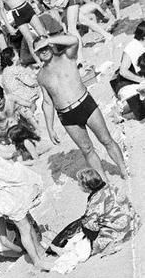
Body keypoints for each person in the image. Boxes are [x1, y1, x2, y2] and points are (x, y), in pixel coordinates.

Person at [34, 30, 127, 178]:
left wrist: (49, 39)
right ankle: (104, 181)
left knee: (106, 139)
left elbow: (74, 40)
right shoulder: (41, 76)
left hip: (85, 103)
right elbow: (47, 102)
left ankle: (124, 170)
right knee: (86, 149)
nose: (44, 51)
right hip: (66, 115)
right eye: (40, 50)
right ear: (37, 54)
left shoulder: (67, 56)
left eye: (46, 47)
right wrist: (50, 127)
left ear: (51, 45)